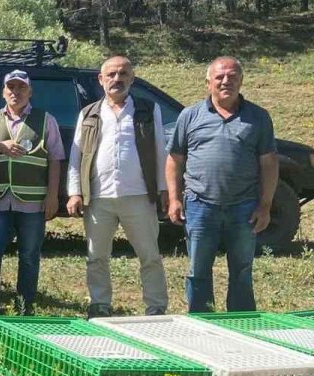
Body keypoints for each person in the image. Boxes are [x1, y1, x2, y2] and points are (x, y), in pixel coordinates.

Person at [166, 56, 277, 313]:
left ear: (241, 81)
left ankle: (241, 321)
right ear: (208, 82)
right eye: (219, 77)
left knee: (241, 269)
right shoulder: (189, 116)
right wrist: (173, 198)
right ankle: (201, 320)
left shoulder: (258, 117)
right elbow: (174, 159)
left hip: (245, 207)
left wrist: (265, 205)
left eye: (232, 76)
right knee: (198, 269)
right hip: (199, 205)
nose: (226, 81)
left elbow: (269, 163)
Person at [66, 56, 169, 318]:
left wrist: (163, 190)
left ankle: (156, 306)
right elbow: (76, 157)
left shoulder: (148, 109)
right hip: (98, 197)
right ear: (101, 80)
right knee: (96, 256)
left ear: (132, 79)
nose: (117, 79)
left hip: (139, 196)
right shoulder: (88, 113)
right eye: (111, 74)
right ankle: (100, 304)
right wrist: (75, 192)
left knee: (150, 255)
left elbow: (160, 150)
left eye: (123, 74)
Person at [0, 70, 64, 316]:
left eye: (21, 87)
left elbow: (56, 159)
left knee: (30, 255)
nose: (15, 92)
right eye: (10, 87)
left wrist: (52, 196)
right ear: (3, 92)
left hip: (33, 203)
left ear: (29, 92)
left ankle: (25, 305)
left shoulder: (46, 120)